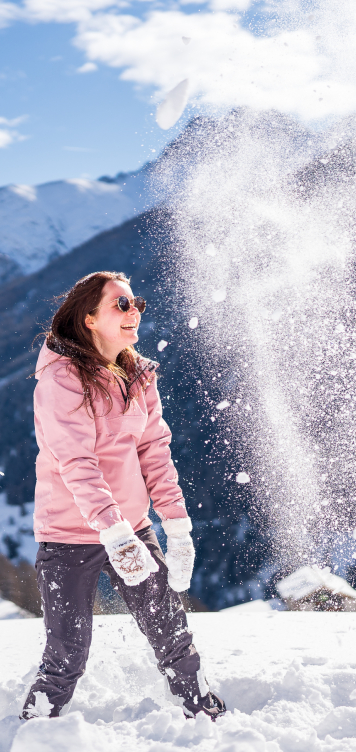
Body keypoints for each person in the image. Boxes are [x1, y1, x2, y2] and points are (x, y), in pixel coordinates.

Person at [21, 270, 225, 721]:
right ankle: (35, 729)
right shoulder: (60, 380)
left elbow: (154, 450)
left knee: (171, 632)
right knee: (67, 653)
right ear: (90, 318)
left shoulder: (137, 375)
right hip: (68, 535)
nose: (133, 312)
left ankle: (203, 712)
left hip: (133, 526)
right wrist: (112, 533)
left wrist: (176, 525)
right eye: (121, 305)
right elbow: (77, 462)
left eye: (137, 304)